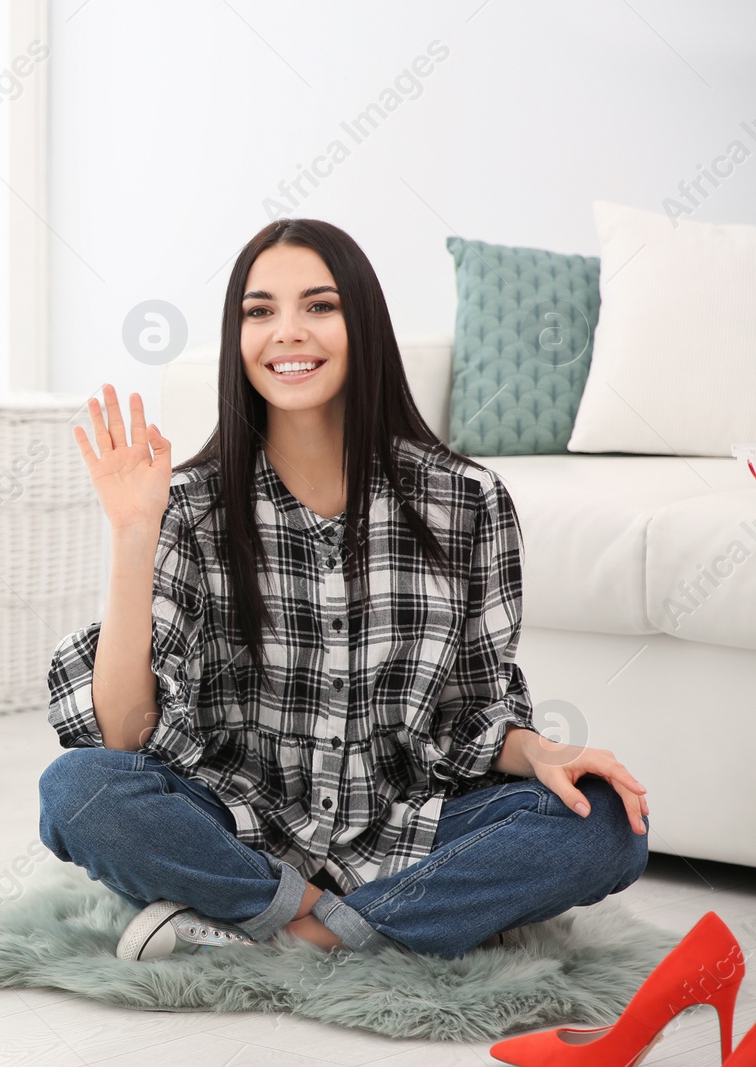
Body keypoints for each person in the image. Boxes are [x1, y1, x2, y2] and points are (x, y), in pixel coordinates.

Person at [38, 218, 650, 961]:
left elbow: (471, 718)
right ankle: (388, 925)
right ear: (238, 339)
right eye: (259, 311)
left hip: (408, 832)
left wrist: (543, 752)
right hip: (234, 826)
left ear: (361, 322)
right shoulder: (189, 505)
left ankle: (277, 932)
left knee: (608, 820)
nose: (287, 332)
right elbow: (124, 734)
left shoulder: (467, 501)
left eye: (319, 306)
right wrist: (135, 536)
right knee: (81, 789)